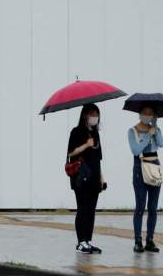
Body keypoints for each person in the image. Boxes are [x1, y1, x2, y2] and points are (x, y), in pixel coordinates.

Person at [67, 103, 106, 254]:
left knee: (91, 210)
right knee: (82, 208)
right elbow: (71, 153)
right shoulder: (76, 132)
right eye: (91, 114)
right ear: (85, 115)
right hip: (81, 177)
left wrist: (102, 178)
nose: (94, 117)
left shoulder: (96, 134)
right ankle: (80, 241)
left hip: (94, 177)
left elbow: (99, 158)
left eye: (96, 114)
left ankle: (88, 240)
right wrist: (85, 145)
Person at [127, 105, 163, 253]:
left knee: (153, 207)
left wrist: (155, 129)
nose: (147, 116)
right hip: (140, 168)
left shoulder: (155, 129)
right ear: (139, 113)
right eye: (145, 113)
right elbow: (135, 150)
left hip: (155, 166)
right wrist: (148, 135)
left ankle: (150, 240)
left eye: (151, 113)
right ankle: (138, 241)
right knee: (140, 206)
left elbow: (162, 144)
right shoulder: (133, 131)